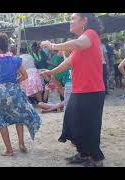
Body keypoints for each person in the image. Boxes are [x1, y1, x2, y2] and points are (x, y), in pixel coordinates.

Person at [41, 13, 106, 167]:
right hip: (80, 91)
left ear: (84, 21)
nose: (70, 22)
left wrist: (52, 46)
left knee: (89, 125)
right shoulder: (81, 42)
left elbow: (77, 44)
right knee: (73, 123)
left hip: (92, 90)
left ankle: (97, 159)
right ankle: (84, 153)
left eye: (72, 19)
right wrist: (50, 73)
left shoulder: (90, 35)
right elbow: (68, 63)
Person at [0, 33, 41, 156]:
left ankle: (9, 150)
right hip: (14, 91)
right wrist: (15, 82)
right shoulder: (15, 59)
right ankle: (21, 144)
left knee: (2, 120)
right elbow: (25, 75)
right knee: (18, 116)